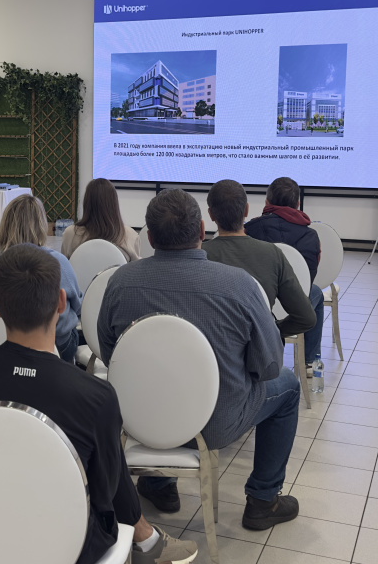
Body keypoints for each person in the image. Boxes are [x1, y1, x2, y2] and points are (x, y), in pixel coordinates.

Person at [0, 244, 198, 564]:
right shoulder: (93, 395)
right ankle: (141, 547)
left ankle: (146, 543)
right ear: (61, 302)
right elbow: (104, 493)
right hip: (67, 553)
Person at [98, 188, 300, 531]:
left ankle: (160, 485)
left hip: (141, 418)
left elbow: (111, 356)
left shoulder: (121, 282)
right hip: (216, 425)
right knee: (289, 385)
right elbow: (268, 367)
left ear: (150, 237)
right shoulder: (240, 285)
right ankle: (263, 500)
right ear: (203, 230)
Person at [203, 179, 316, 341]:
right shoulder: (273, 254)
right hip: (259, 352)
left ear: (210, 214)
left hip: (211, 349)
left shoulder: (199, 255)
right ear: (246, 210)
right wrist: (270, 331)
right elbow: (306, 318)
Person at [0, 193, 82, 362]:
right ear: (41, 225)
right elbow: (77, 305)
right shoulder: (58, 263)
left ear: (5, 224)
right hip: (56, 344)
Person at [245, 176, 324, 371]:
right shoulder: (310, 235)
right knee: (316, 292)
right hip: (294, 306)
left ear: (267, 202)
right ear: (297, 205)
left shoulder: (248, 230)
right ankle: (309, 362)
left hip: (256, 303)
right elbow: (308, 279)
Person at [61, 178, 140, 262]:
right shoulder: (131, 236)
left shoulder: (70, 233)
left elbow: (64, 267)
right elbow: (135, 269)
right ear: (114, 204)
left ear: (86, 203)